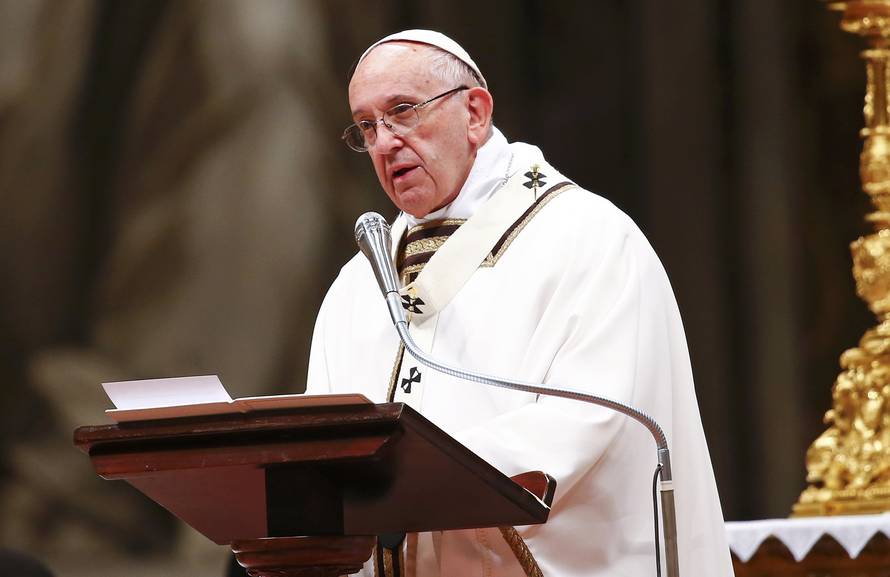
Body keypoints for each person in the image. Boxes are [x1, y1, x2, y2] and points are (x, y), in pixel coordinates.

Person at [306, 29, 733, 577]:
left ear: (475, 114)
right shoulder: (361, 283)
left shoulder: (588, 238)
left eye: (403, 111)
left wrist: (405, 476)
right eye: (367, 126)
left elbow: (587, 421)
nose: (385, 142)